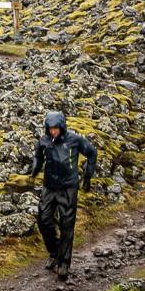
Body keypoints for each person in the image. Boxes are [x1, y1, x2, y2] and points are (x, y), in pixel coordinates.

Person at [29, 111, 97, 280]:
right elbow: (37, 156)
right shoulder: (44, 141)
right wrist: (34, 170)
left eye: (56, 128)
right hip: (49, 187)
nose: (53, 132)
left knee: (67, 224)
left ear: (62, 126)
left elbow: (92, 152)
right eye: (50, 129)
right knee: (44, 220)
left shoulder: (75, 139)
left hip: (68, 188)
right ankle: (54, 252)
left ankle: (64, 263)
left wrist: (87, 176)